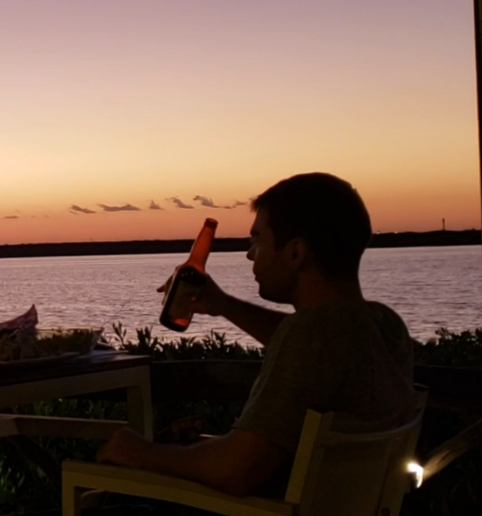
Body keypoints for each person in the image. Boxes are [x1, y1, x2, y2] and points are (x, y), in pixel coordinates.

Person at [96, 172, 416, 501]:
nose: (250, 254)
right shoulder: (384, 325)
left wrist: (137, 450)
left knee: (101, 500)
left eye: (258, 239)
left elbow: (235, 471)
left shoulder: (312, 335)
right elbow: (313, 344)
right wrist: (224, 305)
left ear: (295, 253)